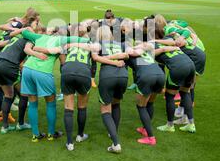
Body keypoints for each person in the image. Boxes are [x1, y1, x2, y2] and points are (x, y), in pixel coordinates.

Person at [18, 27, 90, 142]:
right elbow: (84, 40)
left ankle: (35, 135)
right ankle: (51, 134)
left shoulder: (40, 36)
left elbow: (24, 32)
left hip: (27, 69)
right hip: (43, 72)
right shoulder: (62, 40)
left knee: (32, 102)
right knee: (50, 103)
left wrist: (27, 29)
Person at [91, 26, 129, 154]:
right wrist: (117, 58)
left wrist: (111, 60)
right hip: (123, 76)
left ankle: (116, 143)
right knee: (116, 103)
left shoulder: (98, 43)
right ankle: (113, 131)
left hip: (108, 76)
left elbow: (95, 58)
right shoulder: (120, 43)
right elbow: (126, 55)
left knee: (105, 109)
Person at [60, 24, 97, 151]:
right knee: (82, 106)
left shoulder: (67, 43)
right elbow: (94, 62)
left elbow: (62, 59)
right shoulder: (90, 43)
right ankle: (80, 135)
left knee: (68, 108)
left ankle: (69, 143)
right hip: (83, 71)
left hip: (67, 70)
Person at [125, 41, 165, 146]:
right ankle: (145, 129)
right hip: (160, 74)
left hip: (147, 77)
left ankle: (151, 137)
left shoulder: (128, 53)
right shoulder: (146, 52)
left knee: (141, 106)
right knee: (150, 103)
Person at [0, 35, 35, 134]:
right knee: (24, 95)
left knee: (8, 96)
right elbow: (21, 64)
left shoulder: (17, 38)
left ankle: (5, 127)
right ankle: (21, 124)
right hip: (9, 66)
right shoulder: (29, 41)